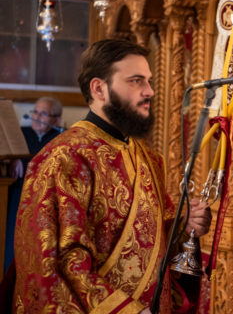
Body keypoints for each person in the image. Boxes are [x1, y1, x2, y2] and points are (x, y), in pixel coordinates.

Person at [12, 39, 212, 313]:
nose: (150, 91)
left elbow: (154, 243)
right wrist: (127, 309)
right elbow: (58, 259)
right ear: (99, 88)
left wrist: (184, 227)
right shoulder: (64, 157)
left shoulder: (150, 159)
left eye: (149, 81)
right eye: (136, 81)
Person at [5, 96, 63, 273]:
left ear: (56, 120)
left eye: (43, 114)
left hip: (45, 199)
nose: (37, 117)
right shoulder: (19, 135)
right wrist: (13, 158)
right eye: (35, 112)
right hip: (17, 196)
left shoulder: (61, 137)